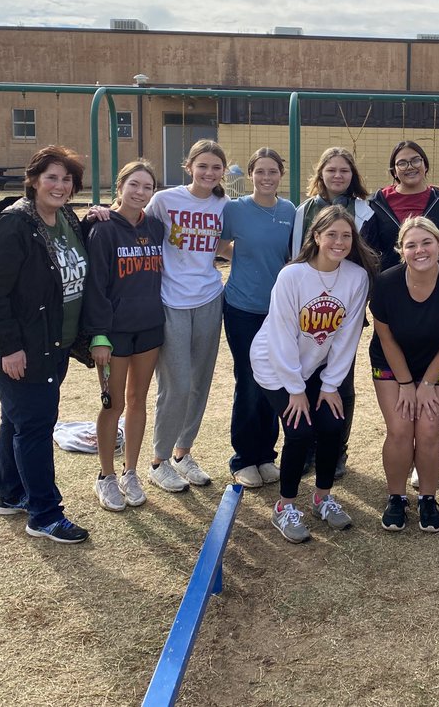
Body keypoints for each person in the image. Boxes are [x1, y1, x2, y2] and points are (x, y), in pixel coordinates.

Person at [0, 145, 91, 544]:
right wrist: (8, 348)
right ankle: (44, 513)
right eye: (52, 177)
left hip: (54, 343)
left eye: (67, 179)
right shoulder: (13, 226)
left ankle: (10, 494)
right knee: (36, 427)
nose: (60, 186)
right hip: (23, 348)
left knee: (18, 420)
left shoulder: (67, 219)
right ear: (34, 179)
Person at [251, 206, 380, 543]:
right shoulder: (292, 276)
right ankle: (285, 506)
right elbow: (280, 335)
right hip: (274, 365)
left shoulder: (355, 276)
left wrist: (331, 384)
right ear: (317, 236)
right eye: (332, 234)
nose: (339, 241)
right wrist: (295, 389)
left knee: (332, 424)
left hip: (313, 367)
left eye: (346, 235)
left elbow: (347, 335)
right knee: (299, 431)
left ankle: (322, 497)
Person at [368, 217, 439, 533]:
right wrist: (405, 384)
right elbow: (385, 337)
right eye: (411, 244)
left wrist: (425, 383)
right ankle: (396, 497)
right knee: (399, 428)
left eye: (427, 242)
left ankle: (427, 497)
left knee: (427, 430)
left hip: (434, 363)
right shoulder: (385, 283)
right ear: (401, 250)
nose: (420, 250)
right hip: (391, 362)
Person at [145, 139, 228, 493]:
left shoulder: (225, 204)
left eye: (216, 167)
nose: (209, 173)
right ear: (189, 166)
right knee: (175, 384)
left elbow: (221, 246)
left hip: (209, 298)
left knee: (199, 383)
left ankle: (183, 453)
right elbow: (134, 223)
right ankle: (158, 460)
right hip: (170, 301)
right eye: (203, 166)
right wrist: (107, 212)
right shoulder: (165, 200)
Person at [83, 159, 165, 511]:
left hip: (149, 326)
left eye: (147, 187)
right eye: (134, 184)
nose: (140, 192)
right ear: (120, 187)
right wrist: (98, 335)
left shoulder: (157, 228)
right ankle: (106, 476)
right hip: (114, 333)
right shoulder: (102, 228)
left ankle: (130, 471)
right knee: (112, 403)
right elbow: (95, 286)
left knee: (137, 400)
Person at [290, 146, 373, 477]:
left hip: (346, 308)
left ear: (353, 176)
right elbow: (296, 254)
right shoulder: (303, 211)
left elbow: (369, 256)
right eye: (331, 170)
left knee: (341, 381)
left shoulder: (365, 211)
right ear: (320, 173)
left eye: (345, 170)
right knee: (306, 377)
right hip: (309, 310)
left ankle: (337, 450)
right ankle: (308, 446)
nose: (338, 176)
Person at [219, 148, 295, 489]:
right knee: (249, 381)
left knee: (273, 381)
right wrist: (244, 257)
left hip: (278, 310)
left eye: (273, 172)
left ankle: (266, 455)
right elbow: (220, 246)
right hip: (242, 307)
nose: (266, 178)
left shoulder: (289, 210)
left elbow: (291, 255)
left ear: (281, 175)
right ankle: (244, 458)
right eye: (260, 171)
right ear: (250, 174)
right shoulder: (235, 209)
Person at [362, 140, 439, 273]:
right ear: (394, 172)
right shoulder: (376, 204)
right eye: (402, 163)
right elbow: (368, 251)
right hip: (390, 283)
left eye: (416, 160)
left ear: (426, 165)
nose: (410, 167)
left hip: (434, 282)